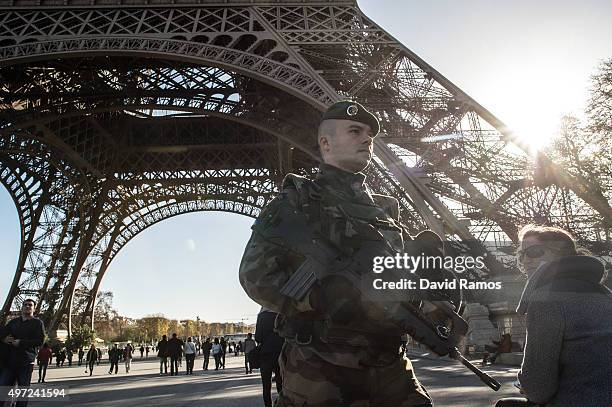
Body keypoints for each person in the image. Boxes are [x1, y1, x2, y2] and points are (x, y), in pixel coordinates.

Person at [239, 101, 437, 406]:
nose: (367, 139)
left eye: (370, 134)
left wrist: (427, 279)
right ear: (325, 142)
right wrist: (317, 296)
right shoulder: (294, 203)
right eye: (355, 131)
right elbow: (254, 277)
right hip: (321, 369)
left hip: (392, 367)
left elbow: (402, 277)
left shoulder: (386, 211)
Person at [495, 225, 612, 407]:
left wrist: (526, 384)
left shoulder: (546, 298)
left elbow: (538, 389)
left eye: (534, 251)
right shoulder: (605, 294)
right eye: (521, 255)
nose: (525, 260)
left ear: (561, 255)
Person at [0, 298, 45, 407]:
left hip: (26, 361)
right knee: (3, 389)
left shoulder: (37, 323)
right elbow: (2, 334)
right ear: (22, 307)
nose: (27, 306)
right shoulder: (13, 322)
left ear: (34, 308)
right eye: (25, 304)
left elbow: (40, 341)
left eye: (30, 305)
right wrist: (4, 339)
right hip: (10, 361)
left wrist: (21, 342)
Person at [255, 309, 284, 407]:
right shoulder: (282, 312)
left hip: (266, 354)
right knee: (282, 385)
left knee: (266, 387)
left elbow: (258, 337)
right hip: (281, 352)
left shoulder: (262, 316)